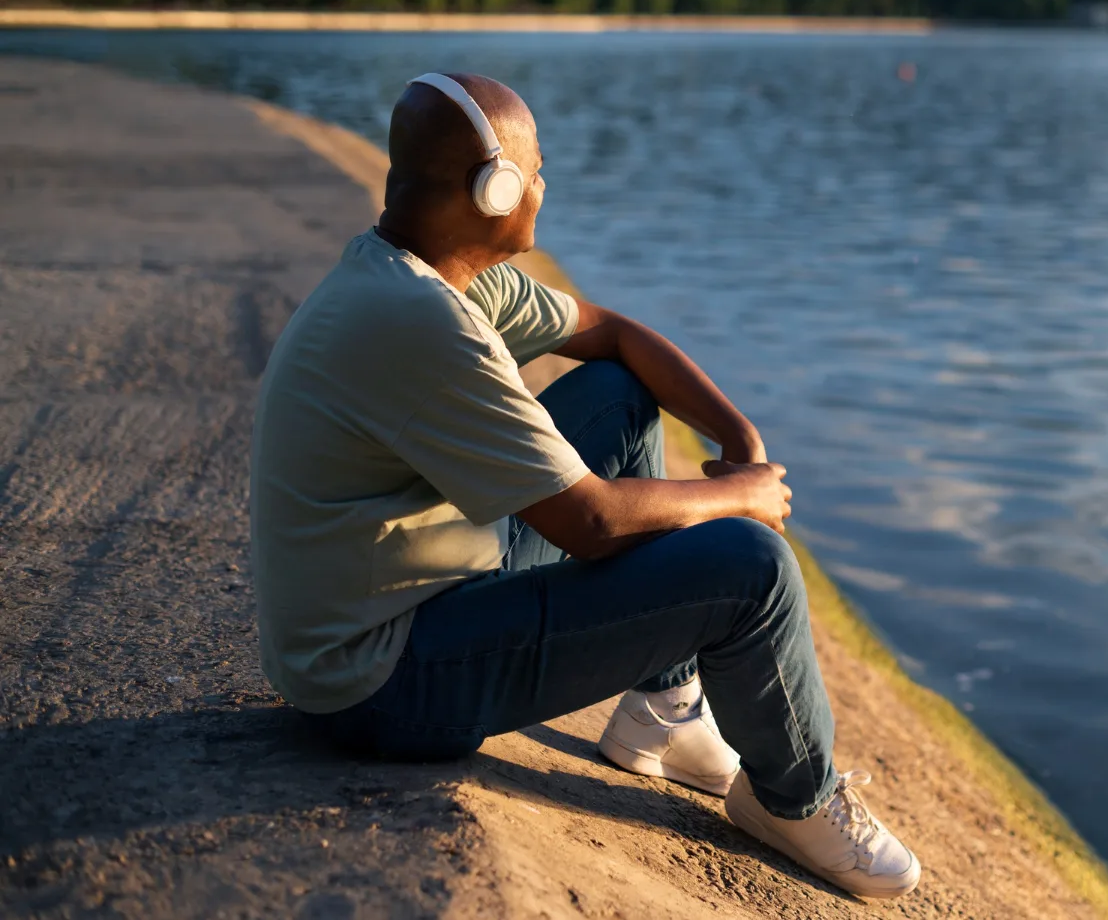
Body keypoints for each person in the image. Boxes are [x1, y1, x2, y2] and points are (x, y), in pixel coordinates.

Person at [250, 72, 920, 900]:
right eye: (533, 171)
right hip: (377, 682)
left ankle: (663, 712)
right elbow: (591, 524)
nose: (543, 186)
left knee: (619, 400)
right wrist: (743, 494)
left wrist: (738, 438)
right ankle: (794, 801)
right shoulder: (420, 322)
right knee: (751, 568)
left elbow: (613, 335)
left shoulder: (430, 270)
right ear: (492, 190)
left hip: (411, 595)